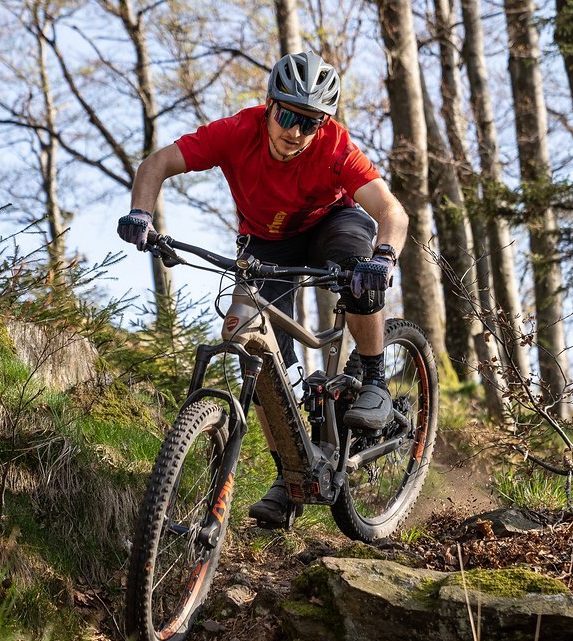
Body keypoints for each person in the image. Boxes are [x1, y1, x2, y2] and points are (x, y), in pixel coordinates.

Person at [116, 51, 409, 528]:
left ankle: (374, 378)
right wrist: (141, 214)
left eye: (309, 122)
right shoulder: (236, 133)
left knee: (357, 271)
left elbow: (391, 211)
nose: (295, 131)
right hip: (267, 242)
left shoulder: (334, 147)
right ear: (269, 105)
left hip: (332, 223)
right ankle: (290, 477)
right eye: (287, 115)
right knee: (250, 342)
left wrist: (384, 257)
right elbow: (157, 163)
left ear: (324, 125)